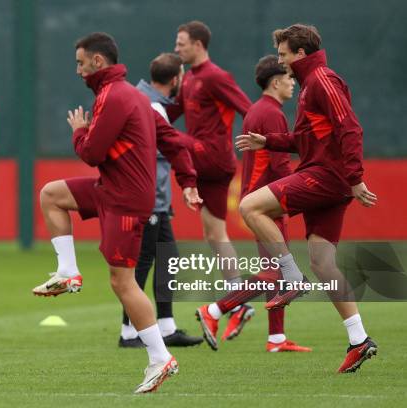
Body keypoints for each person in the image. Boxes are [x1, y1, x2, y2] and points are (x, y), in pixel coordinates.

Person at [32, 32, 201, 393]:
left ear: (97, 61)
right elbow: (172, 141)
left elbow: (91, 153)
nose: (77, 70)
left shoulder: (115, 96)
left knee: (122, 282)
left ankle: (160, 358)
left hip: (125, 200)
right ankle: (67, 272)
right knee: (51, 195)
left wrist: (79, 132)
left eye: (80, 63)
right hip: (113, 191)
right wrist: (187, 181)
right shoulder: (134, 96)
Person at [236, 24, 378, 372]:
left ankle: (291, 277)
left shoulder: (322, 80)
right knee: (323, 262)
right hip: (330, 179)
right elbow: (305, 140)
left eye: (284, 55)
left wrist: (355, 178)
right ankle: (359, 340)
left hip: (325, 177)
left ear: (300, 53)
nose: (281, 63)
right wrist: (267, 142)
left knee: (249, 205)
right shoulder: (311, 84)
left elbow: (351, 128)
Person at [196, 55, 311, 353]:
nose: (293, 84)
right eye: (289, 79)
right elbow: (280, 166)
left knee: (274, 271)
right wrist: (303, 193)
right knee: (277, 273)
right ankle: (215, 310)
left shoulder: (259, 110)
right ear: (275, 81)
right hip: (267, 203)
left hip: (258, 198)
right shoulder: (271, 113)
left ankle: (276, 339)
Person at [168, 20, 254, 336]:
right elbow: (171, 112)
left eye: (181, 43)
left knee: (216, 235)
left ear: (198, 45)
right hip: (200, 161)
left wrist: (267, 141)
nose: (176, 48)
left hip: (214, 161)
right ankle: (239, 299)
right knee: (214, 234)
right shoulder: (189, 78)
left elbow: (249, 109)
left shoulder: (216, 77)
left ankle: (239, 299)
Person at [119, 53, 204, 349]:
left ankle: (166, 326)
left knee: (167, 257)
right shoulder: (152, 105)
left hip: (158, 199)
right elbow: (154, 154)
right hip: (149, 198)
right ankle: (129, 332)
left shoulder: (149, 100)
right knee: (142, 262)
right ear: (176, 79)